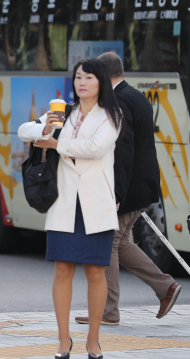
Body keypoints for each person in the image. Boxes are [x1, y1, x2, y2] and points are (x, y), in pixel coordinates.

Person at [18, 58, 123, 359]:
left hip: (96, 204)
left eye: (89, 77)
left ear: (101, 81)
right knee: (62, 269)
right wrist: (45, 127)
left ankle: (93, 340)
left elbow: (94, 148)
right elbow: (25, 131)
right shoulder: (65, 111)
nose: (82, 83)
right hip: (64, 202)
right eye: (78, 77)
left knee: (95, 271)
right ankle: (64, 340)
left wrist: (55, 142)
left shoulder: (111, 115)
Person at [72, 52, 181, 326]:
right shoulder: (137, 96)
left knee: (106, 243)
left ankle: (108, 311)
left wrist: (116, 194)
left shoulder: (117, 101)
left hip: (127, 188)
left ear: (105, 77)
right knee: (120, 243)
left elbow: (122, 151)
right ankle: (165, 287)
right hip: (143, 185)